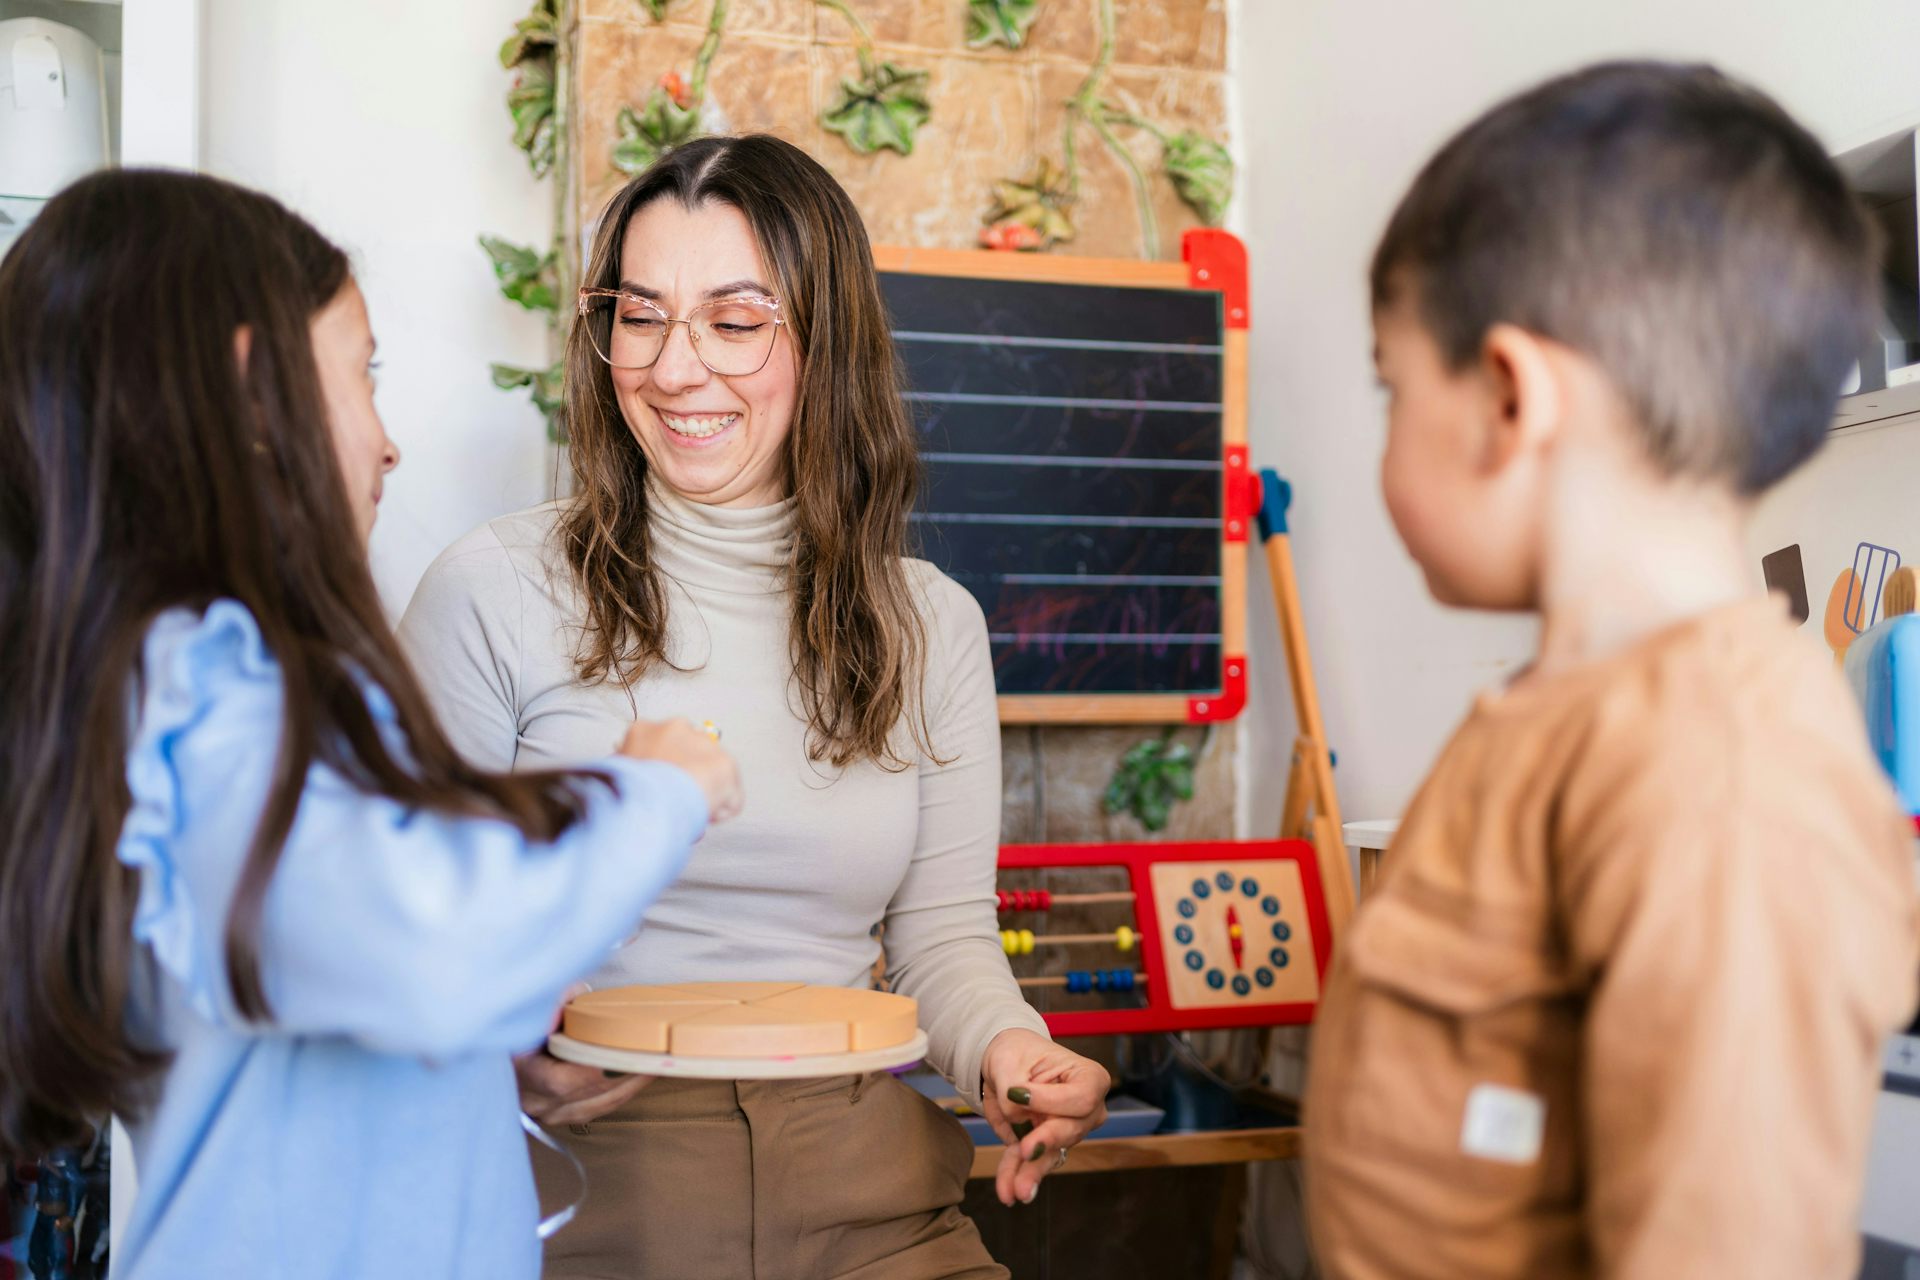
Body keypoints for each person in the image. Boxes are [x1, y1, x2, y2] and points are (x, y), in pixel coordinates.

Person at [0, 170, 741, 1280]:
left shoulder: (223, 682)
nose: (390, 443)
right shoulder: (201, 684)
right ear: (257, 393)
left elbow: (352, 939)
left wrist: (508, 1025)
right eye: (366, 374)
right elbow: (433, 943)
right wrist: (651, 788)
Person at [399, 134, 1110, 1278]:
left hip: (872, 1188)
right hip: (582, 1188)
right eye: (640, 315)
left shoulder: (932, 622)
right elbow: (408, 933)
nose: (676, 369)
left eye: (734, 322)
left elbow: (940, 937)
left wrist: (1016, 1054)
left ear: (826, 342)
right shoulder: (489, 590)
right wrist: (506, 1035)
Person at [1302, 61, 1920, 1278]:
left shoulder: (1720, 765)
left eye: (1393, 384)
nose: (1383, 425)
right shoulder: (1567, 712)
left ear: (1508, 397)